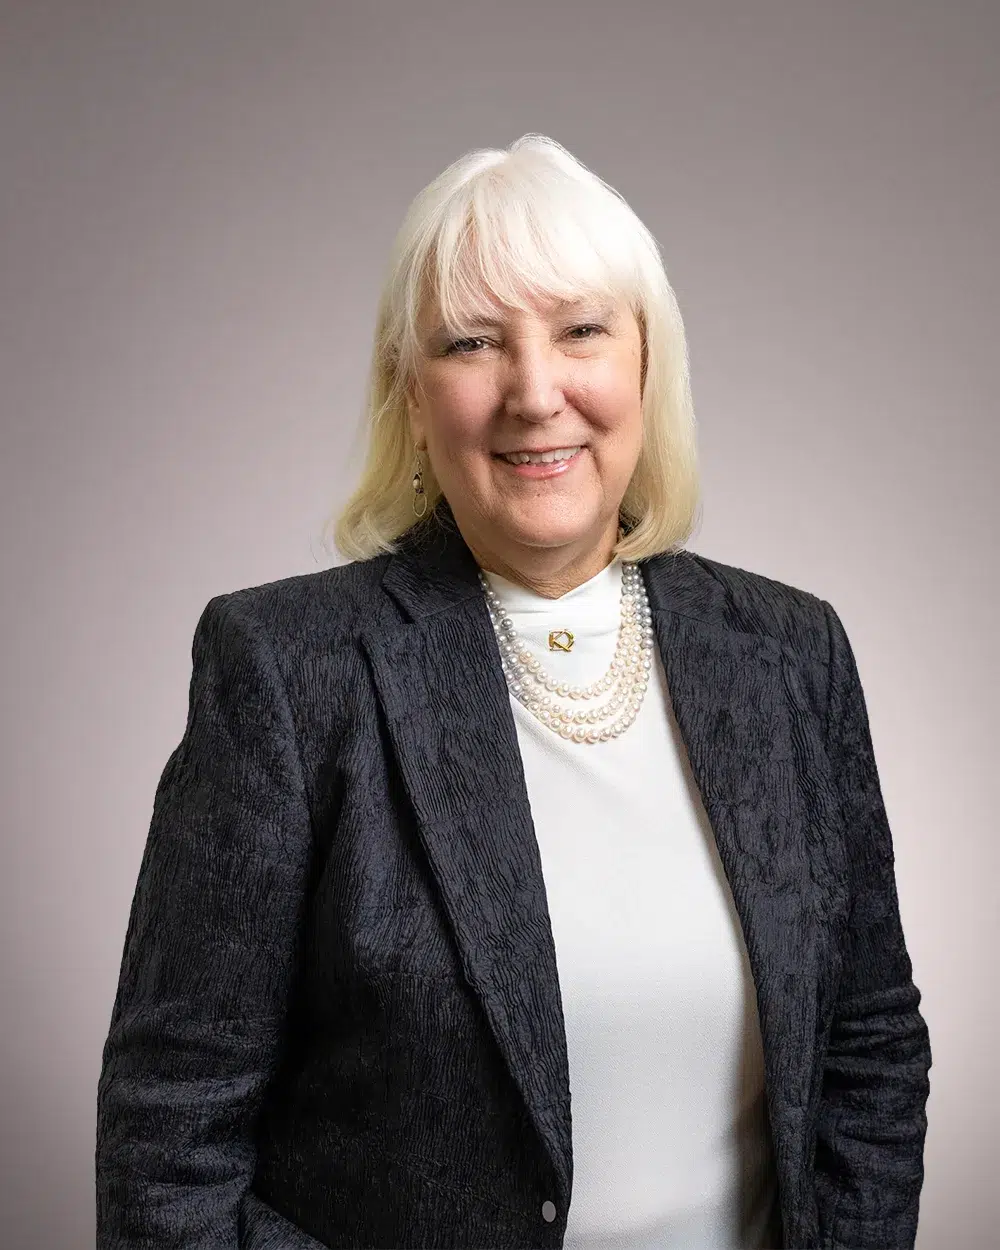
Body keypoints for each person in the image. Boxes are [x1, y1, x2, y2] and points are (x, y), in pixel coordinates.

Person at [96, 133, 932, 1250]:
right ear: (412, 391)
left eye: (582, 330)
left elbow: (869, 1043)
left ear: (645, 365)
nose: (536, 393)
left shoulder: (790, 654)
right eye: (473, 342)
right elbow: (167, 1143)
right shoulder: (288, 671)